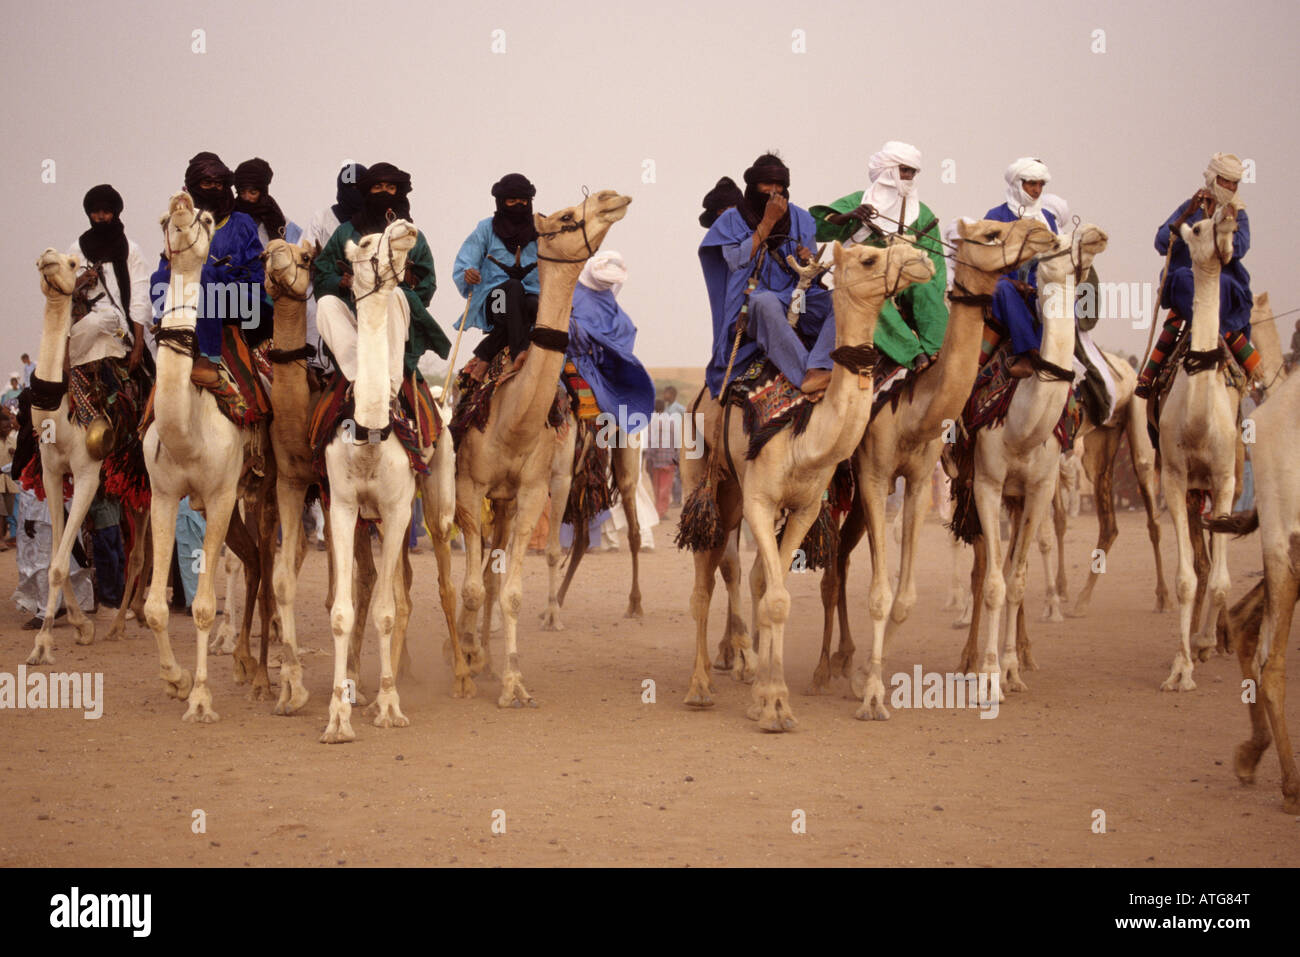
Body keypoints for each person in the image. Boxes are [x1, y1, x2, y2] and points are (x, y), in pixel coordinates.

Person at [700, 152, 835, 398]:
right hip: (752, 301)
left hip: (797, 299)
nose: (774, 191)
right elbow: (735, 261)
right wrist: (768, 222)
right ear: (753, 186)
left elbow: (811, 276)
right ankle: (804, 374)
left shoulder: (801, 219)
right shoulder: (731, 220)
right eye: (767, 184)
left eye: (779, 185)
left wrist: (808, 261)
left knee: (842, 300)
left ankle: (821, 366)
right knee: (765, 302)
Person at [811, 141, 948, 373]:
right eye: (903, 170)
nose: (908, 177)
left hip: (904, 283)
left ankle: (938, 351)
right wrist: (848, 217)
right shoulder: (857, 202)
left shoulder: (922, 214)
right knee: (868, 300)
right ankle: (914, 355)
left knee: (926, 288)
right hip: (865, 281)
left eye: (912, 172)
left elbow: (934, 264)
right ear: (888, 170)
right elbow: (816, 227)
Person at [313, 162, 450, 393]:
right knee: (326, 304)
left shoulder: (413, 236)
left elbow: (427, 284)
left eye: (390, 187)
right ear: (367, 191)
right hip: (354, 313)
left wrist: (400, 284)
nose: (384, 192)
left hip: (396, 319)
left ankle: (391, 387)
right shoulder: (345, 233)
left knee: (393, 294)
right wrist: (341, 283)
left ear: (399, 192)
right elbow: (322, 275)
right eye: (377, 187)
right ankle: (359, 376)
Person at [1136, 152, 1256, 397]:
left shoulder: (1237, 212)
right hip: (1188, 283)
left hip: (1223, 285)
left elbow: (1240, 247)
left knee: (1221, 283)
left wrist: (1225, 228)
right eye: (1225, 181)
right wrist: (1188, 215)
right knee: (1182, 277)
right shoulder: (1190, 207)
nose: (1230, 188)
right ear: (1213, 178)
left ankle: (1231, 349)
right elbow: (1161, 242)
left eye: (1234, 183)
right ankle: (1150, 379)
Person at [150, 152, 266, 387]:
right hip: (191, 299)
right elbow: (167, 262)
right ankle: (165, 330)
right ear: (194, 186)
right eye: (207, 183)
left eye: (219, 184)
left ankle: (209, 357)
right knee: (159, 278)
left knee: (206, 276)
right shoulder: (180, 222)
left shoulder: (241, 222)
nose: (214, 188)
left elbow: (256, 274)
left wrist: (223, 275)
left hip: (241, 301)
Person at [453, 173, 540, 380]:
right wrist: (469, 273)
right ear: (501, 202)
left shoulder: (540, 228)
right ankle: (520, 351)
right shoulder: (486, 228)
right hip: (496, 302)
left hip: (530, 299)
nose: (518, 206)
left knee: (535, 307)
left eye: (523, 201)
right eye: (512, 201)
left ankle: (485, 353)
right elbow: (466, 261)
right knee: (512, 288)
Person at [565, 250, 656, 427]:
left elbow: (623, 333)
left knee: (626, 407)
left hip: (599, 364)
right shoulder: (571, 291)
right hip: (569, 357)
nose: (607, 283)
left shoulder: (608, 302)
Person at [67, 184, 151, 373]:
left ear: (115, 213)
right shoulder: (77, 250)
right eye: (96, 212)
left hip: (117, 320)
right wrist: (81, 280)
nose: (101, 217)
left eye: (106, 212)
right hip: (81, 320)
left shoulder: (131, 250)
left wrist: (138, 345)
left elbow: (139, 298)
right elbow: (64, 289)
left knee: (97, 321)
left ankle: (62, 364)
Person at [301, 164, 368, 373]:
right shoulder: (322, 218)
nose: (354, 192)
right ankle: (318, 367)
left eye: (359, 187)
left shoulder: (371, 221)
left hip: (365, 291)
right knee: (315, 311)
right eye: (350, 187)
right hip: (324, 285)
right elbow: (306, 251)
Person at [234, 157, 301, 246]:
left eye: (253, 193)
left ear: (263, 192)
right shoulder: (229, 219)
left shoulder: (280, 222)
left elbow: (300, 250)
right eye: (242, 192)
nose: (247, 197)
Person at [89, 490, 125, 616]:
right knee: (108, 562)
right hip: (102, 521)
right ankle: (107, 603)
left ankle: (116, 602)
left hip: (113, 519)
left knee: (118, 561)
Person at [647, 399, 677, 518]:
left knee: (657, 487)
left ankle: (657, 510)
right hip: (669, 460)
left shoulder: (652, 423)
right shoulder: (671, 421)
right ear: (664, 408)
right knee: (665, 488)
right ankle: (661, 511)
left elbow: (650, 443)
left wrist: (649, 459)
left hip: (656, 461)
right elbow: (676, 442)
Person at [662, 385, 686, 506]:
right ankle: (673, 498)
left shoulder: (680, 408)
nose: (664, 395)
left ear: (673, 395)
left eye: (667, 393)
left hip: (678, 444)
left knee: (676, 472)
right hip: (669, 445)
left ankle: (677, 499)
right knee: (671, 471)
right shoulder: (666, 409)